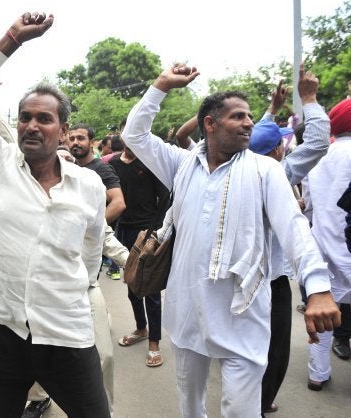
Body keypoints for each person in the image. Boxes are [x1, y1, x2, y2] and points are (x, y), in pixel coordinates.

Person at [121, 64, 340, 417]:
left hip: (242, 317)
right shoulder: (181, 164)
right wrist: (161, 85)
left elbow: (294, 227)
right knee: (190, 406)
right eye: (238, 116)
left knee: (241, 411)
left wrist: (317, 287)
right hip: (188, 313)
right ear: (211, 124)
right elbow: (136, 135)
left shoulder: (264, 170)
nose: (249, 122)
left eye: (251, 115)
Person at [0, 12, 110, 417]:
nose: (32, 126)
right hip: (5, 333)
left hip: (67, 334)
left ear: (63, 129)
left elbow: (92, 250)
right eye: (25, 117)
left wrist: (75, 289)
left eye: (44, 118)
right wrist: (12, 39)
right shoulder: (0, 163)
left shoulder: (88, 185)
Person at [247, 71, 331, 412]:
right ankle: (261, 405)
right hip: (272, 281)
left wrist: (271, 109)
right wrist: (309, 100)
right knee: (275, 351)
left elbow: (258, 138)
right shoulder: (278, 172)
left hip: (237, 280)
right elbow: (317, 143)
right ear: (279, 149)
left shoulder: (232, 169)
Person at [109, 141, 170, 367]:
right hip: (123, 230)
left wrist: (156, 230)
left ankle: (154, 342)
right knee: (132, 283)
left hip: (146, 232)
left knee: (150, 288)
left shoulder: (150, 164)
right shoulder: (114, 163)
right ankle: (141, 328)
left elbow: (165, 198)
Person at [305, 98, 351, 390]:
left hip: (322, 247)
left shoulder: (320, 155)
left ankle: (317, 375)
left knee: (322, 315)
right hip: (348, 245)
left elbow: (308, 204)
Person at [67, 123, 126, 280]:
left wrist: (92, 228)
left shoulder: (101, 169)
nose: (75, 142)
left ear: (92, 142)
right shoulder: (68, 167)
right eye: (71, 138)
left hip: (90, 246)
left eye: (80, 138)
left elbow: (118, 203)